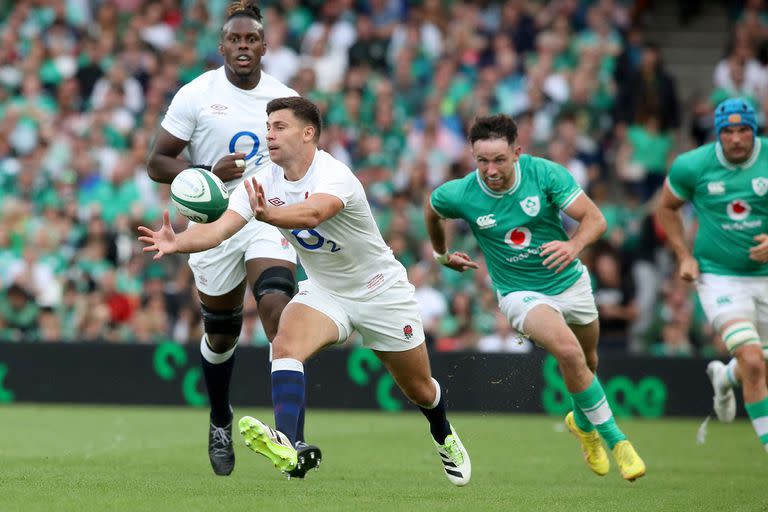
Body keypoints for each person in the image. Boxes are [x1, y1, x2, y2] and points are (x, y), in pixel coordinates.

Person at [139, 96, 471, 485]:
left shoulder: (334, 174)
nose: (269, 135)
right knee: (284, 345)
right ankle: (289, 442)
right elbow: (219, 229)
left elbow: (314, 212)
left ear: (308, 132)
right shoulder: (261, 182)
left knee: (419, 389)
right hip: (325, 291)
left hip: (380, 291)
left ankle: (443, 433)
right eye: (268, 127)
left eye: (280, 127)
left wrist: (268, 215)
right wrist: (179, 242)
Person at [424, 114, 646, 481]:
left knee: (587, 361)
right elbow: (432, 211)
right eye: (482, 160)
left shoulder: (545, 175)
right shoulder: (462, 193)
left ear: (517, 153)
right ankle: (617, 441)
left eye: (498, 159)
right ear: (472, 157)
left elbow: (596, 220)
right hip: (519, 293)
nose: (490, 169)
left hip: (570, 283)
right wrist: (441, 255)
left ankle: (583, 425)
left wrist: (574, 245)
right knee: (569, 350)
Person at [145, 1, 314, 477]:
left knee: (278, 304)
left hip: (265, 214)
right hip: (213, 220)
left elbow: (305, 162)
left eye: (251, 40)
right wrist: (205, 171)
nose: (243, 47)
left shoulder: (284, 99)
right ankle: (221, 418)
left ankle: (291, 437)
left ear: (265, 46)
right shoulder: (196, 94)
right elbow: (158, 162)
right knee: (222, 334)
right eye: (235, 40)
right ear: (222, 46)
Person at [657, 98, 768, 452]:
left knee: (757, 362)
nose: (736, 139)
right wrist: (683, 255)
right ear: (718, 134)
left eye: (743, 131)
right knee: (753, 360)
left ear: (755, 130)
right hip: (719, 277)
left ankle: (724, 376)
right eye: (728, 132)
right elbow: (667, 208)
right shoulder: (692, 166)